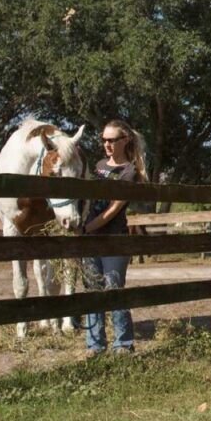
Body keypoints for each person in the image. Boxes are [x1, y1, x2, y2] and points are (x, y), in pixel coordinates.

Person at [80, 119, 147, 355]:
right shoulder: (98, 166)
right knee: (93, 290)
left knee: (114, 287)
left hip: (114, 237)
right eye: (104, 140)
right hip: (90, 238)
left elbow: (114, 209)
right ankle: (95, 344)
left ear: (125, 140)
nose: (106, 144)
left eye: (111, 140)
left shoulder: (130, 171)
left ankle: (123, 343)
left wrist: (88, 228)